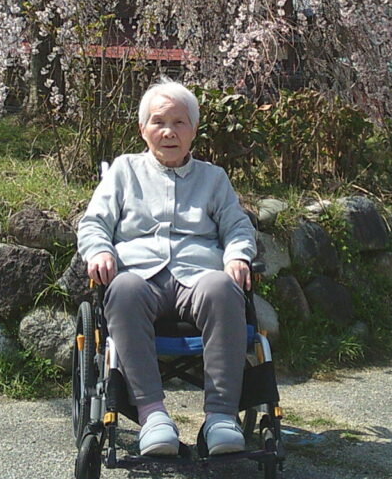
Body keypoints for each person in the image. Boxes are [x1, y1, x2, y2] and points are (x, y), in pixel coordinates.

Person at [77, 79, 257, 457]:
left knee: (224, 289)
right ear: (143, 129)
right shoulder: (124, 171)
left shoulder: (213, 178)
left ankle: (221, 417)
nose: (169, 132)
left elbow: (237, 227)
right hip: (139, 276)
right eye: (159, 122)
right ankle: (153, 416)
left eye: (179, 122)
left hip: (199, 277)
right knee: (121, 290)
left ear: (193, 130)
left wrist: (237, 256)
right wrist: (99, 252)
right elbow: (94, 224)